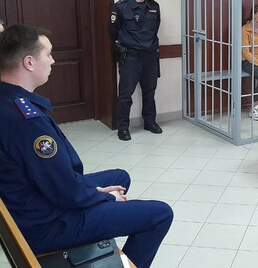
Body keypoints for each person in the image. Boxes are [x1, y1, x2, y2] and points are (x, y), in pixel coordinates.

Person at [0, 25, 173, 268]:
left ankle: (101, 230)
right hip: (47, 224)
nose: (53, 60)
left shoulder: (8, 100)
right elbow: (63, 189)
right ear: (29, 62)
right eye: (48, 54)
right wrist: (104, 197)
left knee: (120, 177)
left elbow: (55, 179)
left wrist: (98, 192)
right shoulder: (27, 120)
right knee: (160, 214)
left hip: (33, 202)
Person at [109, 0, 162, 141]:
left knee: (149, 92)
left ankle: (150, 122)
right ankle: (123, 127)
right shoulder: (120, 7)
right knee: (125, 95)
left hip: (150, 57)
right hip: (131, 58)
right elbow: (113, 31)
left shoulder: (154, 6)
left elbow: (155, 28)